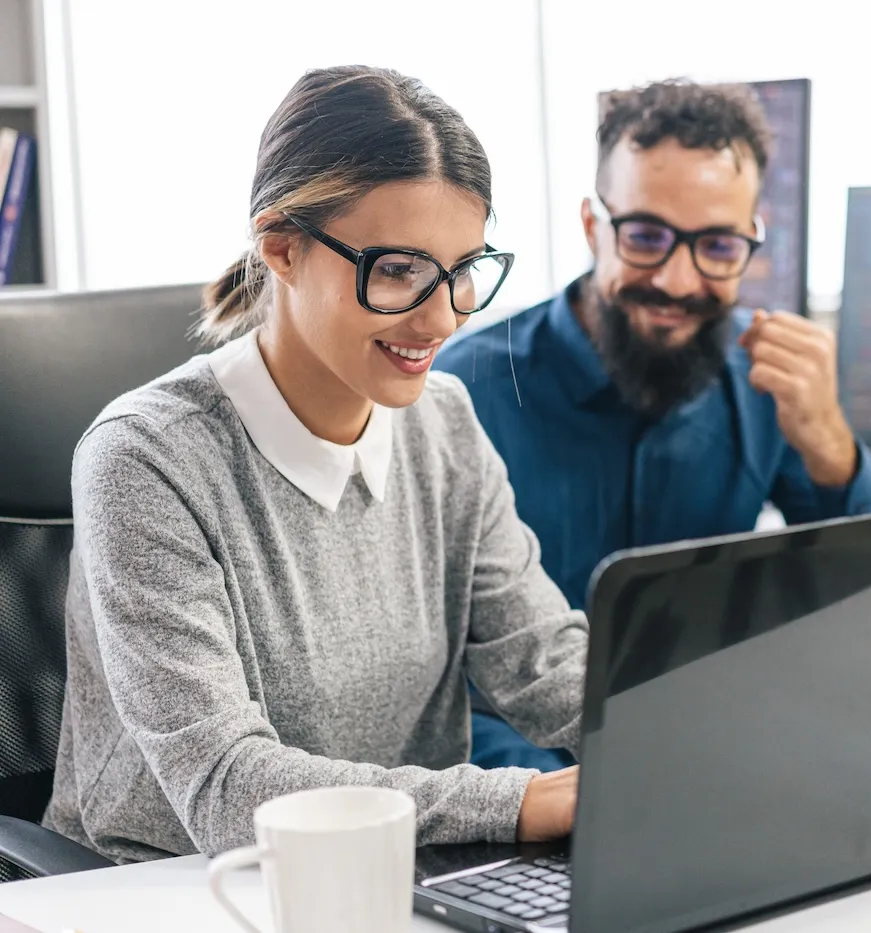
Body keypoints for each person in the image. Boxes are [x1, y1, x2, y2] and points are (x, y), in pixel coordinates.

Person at [43, 66, 584, 863]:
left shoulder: (446, 424)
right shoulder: (145, 459)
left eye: (463, 270)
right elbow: (226, 785)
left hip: (399, 877)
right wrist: (517, 801)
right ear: (283, 248)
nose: (442, 317)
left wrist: (695, 735)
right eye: (399, 270)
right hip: (181, 890)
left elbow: (543, 661)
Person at [434, 79, 871, 772]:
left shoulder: (764, 378)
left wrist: (833, 447)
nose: (681, 281)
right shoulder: (466, 391)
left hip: (713, 769)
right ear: (595, 228)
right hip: (520, 800)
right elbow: (432, 687)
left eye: (717, 246)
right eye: (648, 237)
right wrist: (579, 794)